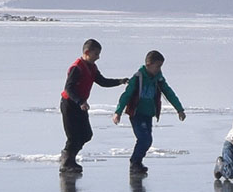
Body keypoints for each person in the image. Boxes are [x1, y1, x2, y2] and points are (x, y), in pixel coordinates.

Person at [112, 50, 186, 174]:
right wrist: (117, 112)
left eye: (160, 66)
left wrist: (179, 109)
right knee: (145, 139)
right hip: (137, 114)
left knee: (146, 139)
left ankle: (137, 162)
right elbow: (127, 94)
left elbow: (168, 92)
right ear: (149, 65)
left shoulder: (158, 78)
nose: (159, 69)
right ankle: (135, 162)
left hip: (148, 115)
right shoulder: (138, 77)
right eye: (157, 66)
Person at [58, 38, 126, 173]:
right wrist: (80, 101)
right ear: (87, 52)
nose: (98, 57)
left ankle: (68, 156)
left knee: (86, 134)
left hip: (80, 105)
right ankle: (67, 161)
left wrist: (120, 81)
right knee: (73, 136)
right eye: (96, 54)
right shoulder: (76, 67)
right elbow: (69, 88)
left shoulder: (92, 67)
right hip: (70, 104)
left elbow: (102, 81)